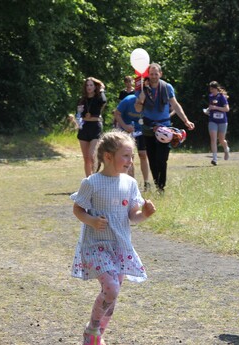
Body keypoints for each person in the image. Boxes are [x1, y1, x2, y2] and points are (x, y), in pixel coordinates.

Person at [70, 130, 156, 345]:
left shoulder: (130, 183)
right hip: (95, 245)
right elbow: (78, 210)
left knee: (112, 294)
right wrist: (90, 221)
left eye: (132, 156)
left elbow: (132, 216)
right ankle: (91, 331)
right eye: (126, 156)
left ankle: (99, 333)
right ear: (108, 157)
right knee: (112, 288)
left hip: (120, 247)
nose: (130, 160)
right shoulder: (91, 183)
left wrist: (144, 214)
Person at [134, 63, 195, 193]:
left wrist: (186, 120)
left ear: (160, 74)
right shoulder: (142, 88)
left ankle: (161, 187)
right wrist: (142, 97)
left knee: (162, 159)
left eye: (156, 74)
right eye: (151, 74)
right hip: (148, 127)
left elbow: (175, 105)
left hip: (165, 128)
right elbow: (137, 108)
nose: (154, 76)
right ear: (148, 75)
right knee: (152, 159)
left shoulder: (167, 87)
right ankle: (158, 186)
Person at [113, 79, 151, 191]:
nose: (140, 103)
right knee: (130, 156)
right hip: (126, 130)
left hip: (141, 131)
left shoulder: (149, 105)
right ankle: (131, 183)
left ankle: (146, 182)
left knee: (143, 154)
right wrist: (125, 126)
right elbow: (117, 114)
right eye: (139, 100)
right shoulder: (127, 100)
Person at [77, 77, 107, 177]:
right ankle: (88, 181)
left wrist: (102, 89)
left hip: (95, 128)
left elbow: (104, 101)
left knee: (92, 155)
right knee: (86, 158)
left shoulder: (99, 98)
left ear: (95, 87)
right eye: (87, 85)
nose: (89, 87)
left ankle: (95, 177)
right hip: (84, 128)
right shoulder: (82, 100)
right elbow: (78, 114)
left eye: (91, 85)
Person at [206, 81, 231, 166]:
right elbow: (211, 106)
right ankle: (215, 159)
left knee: (221, 140)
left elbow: (227, 109)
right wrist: (208, 110)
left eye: (212, 89)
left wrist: (215, 107)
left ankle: (226, 149)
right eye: (210, 89)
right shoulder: (210, 96)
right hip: (212, 120)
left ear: (216, 88)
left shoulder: (221, 97)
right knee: (213, 139)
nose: (211, 90)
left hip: (222, 121)